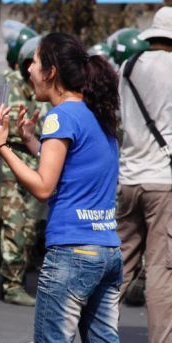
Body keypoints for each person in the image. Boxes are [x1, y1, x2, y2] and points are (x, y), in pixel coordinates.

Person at [0, 32, 121, 342]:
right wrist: (28, 140)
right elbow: (74, 165)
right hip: (107, 251)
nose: (29, 71)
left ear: (51, 72)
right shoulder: (96, 113)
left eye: (35, 63)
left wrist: (2, 146)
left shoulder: (60, 116)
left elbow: (43, 186)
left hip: (71, 253)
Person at [116, 6, 172, 343]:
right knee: (160, 271)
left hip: (129, 176)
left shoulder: (128, 66)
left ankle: (97, 332)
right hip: (163, 182)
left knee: (119, 266)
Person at [0, 35, 49, 307]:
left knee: (30, 227)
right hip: (10, 163)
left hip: (37, 162)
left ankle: (16, 275)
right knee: (14, 224)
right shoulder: (9, 89)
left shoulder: (49, 95)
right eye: (29, 63)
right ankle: (12, 284)